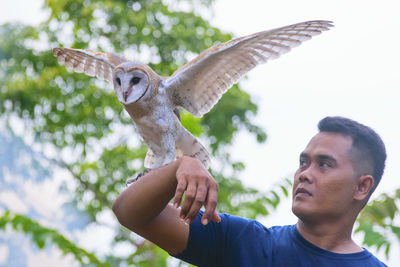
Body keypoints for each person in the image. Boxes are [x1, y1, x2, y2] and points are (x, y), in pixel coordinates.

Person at [112, 116, 388, 266]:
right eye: (303, 162)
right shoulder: (242, 242)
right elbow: (130, 213)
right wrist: (179, 167)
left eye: (324, 164)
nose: (304, 174)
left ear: (361, 187)